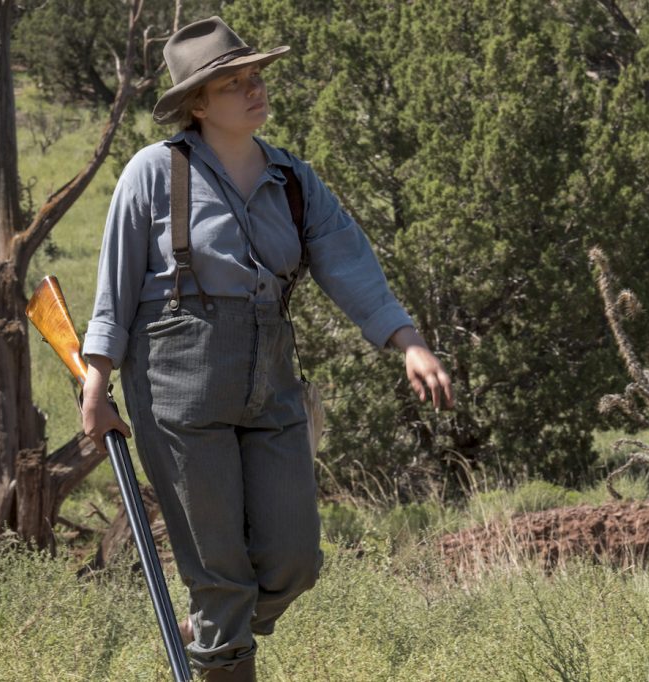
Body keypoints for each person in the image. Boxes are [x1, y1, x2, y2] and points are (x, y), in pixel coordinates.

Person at [81, 16, 453, 681]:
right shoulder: (152, 173)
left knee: (294, 560)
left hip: (272, 374)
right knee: (220, 573)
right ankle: (221, 638)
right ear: (197, 103)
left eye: (255, 77)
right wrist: (95, 384)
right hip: (176, 386)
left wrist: (407, 341)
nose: (254, 90)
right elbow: (112, 290)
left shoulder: (292, 179)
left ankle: (214, 633)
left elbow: (348, 261)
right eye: (233, 84)